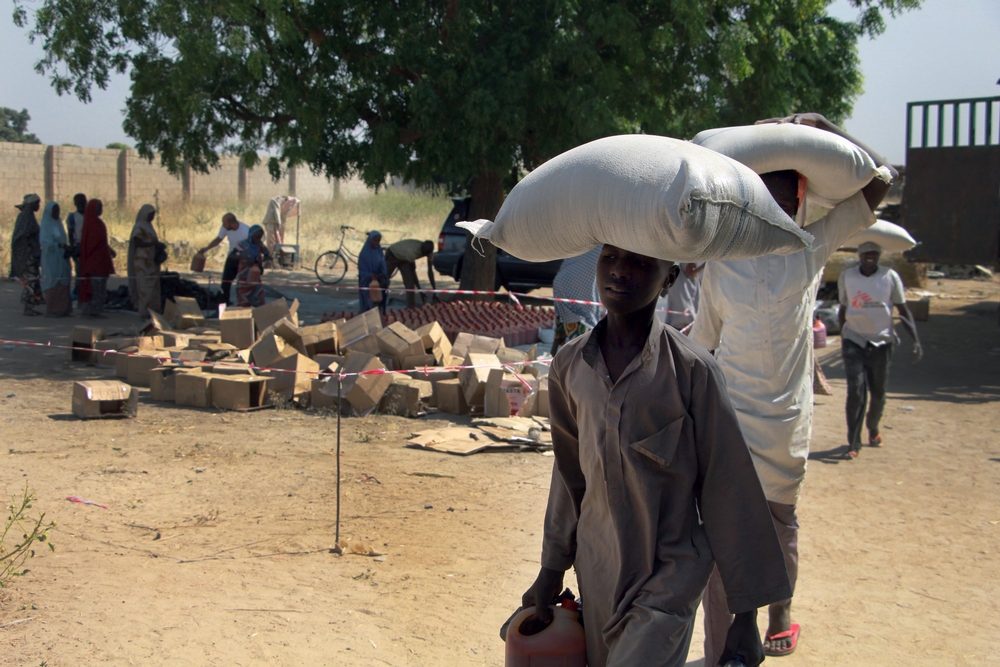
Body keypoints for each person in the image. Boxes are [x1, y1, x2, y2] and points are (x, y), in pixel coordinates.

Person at [522, 243, 791, 667]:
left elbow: (730, 488)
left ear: (669, 278)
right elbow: (570, 475)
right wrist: (551, 567)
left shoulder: (693, 372)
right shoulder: (570, 366)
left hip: (669, 574)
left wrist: (745, 613)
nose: (620, 272)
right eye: (611, 258)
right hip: (597, 568)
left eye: (641, 263)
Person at [692, 113, 896, 662]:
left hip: (785, 424)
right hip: (729, 424)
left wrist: (825, 126)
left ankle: (779, 608)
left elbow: (881, 179)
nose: (776, 212)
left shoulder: (812, 246)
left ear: (800, 203)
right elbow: (703, 341)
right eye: (766, 199)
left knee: (779, 529)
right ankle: (721, 652)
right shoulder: (720, 262)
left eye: (787, 202)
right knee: (721, 545)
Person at [838, 241, 921, 459]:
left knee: (878, 393)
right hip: (854, 339)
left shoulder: (889, 277)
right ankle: (853, 443)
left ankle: (873, 427)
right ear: (859, 254)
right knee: (855, 392)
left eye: (874, 253)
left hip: (882, 341)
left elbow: (903, 309)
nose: (869, 256)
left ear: (879, 255)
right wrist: (842, 337)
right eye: (865, 252)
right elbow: (843, 307)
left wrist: (915, 340)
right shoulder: (848, 276)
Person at [549, 246, 602, 354]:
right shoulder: (603, 242)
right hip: (574, 286)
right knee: (579, 319)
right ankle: (576, 357)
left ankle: (555, 354)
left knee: (566, 317)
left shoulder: (585, 239)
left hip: (563, 281)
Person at [198, 212, 250, 305]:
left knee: (244, 283)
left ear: (232, 223)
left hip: (243, 259)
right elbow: (218, 240)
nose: (223, 225)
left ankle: (245, 303)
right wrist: (206, 249)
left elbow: (252, 246)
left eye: (224, 223)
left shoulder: (245, 230)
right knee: (226, 281)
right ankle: (224, 302)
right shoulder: (225, 228)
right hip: (231, 258)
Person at [78, 199, 116, 318]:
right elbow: (94, 244)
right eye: (99, 207)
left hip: (101, 260)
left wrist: (108, 250)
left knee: (100, 287)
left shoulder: (98, 223)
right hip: (94, 262)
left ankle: (96, 309)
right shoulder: (93, 224)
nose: (101, 210)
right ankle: (91, 310)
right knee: (95, 287)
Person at [127, 204, 163, 317]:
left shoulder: (149, 227)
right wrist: (153, 244)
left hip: (151, 262)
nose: (152, 217)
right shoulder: (139, 227)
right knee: (144, 289)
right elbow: (137, 242)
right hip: (142, 262)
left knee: (153, 289)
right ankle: (144, 313)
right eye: (151, 215)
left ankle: (153, 313)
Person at [10, 193, 43, 315]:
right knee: (31, 281)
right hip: (26, 255)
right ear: (31, 204)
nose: (38, 206)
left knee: (33, 280)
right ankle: (28, 308)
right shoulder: (25, 217)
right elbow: (21, 236)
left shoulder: (29, 216)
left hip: (31, 255)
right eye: (37, 204)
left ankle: (31, 306)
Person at [39, 201, 73, 317]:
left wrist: (65, 248)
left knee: (63, 280)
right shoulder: (46, 225)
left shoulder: (58, 224)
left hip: (62, 258)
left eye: (58, 211)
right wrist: (61, 246)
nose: (56, 213)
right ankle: (53, 310)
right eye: (54, 211)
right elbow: (45, 243)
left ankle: (63, 309)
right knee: (53, 281)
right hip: (51, 260)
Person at [384, 238, 437, 308]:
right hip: (393, 254)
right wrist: (420, 290)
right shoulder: (413, 252)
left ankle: (410, 307)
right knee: (384, 280)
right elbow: (413, 273)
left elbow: (430, 272)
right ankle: (378, 303)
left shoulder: (429, 253)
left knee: (410, 285)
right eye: (424, 252)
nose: (425, 254)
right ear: (421, 248)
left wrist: (435, 291)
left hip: (405, 259)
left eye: (427, 253)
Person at [234, 225, 270, 307]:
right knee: (243, 298)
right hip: (244, 274)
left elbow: (267, 254)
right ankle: (244, 316)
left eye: (259, 238)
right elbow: (233, 255)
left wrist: (261, 262)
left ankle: (259, 317)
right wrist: (244, 258)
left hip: (255, 275)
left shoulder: (260, 246)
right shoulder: (243, 244)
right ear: (251, 235)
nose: (257, 240)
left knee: (259, 297)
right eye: (256, 237)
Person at [661, 262, 704, 329]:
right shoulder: (676, 278)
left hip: (692, 328)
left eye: (694, 266)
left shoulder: (697, 281)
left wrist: (699, 269)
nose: (692, 269)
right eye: (690, 266)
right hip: (675, 327)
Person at [357, 230, 388, 314]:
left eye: (378, 241)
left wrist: (383, 275)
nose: (376, 243)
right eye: (375, 241)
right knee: (368, 302)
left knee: (379, 299)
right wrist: (369, 275)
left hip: (378, 280)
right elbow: (362, 270)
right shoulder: (364, 254)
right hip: (367, 281)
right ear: (370, 240)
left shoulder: (379, 252)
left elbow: (383, 264)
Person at [65, 193, 87, 298]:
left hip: (89, 245)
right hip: (78, 245)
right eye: (79, 203)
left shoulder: (90, 216)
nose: (81, 205)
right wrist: (73, 248)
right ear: (75, 204)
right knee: (80, 271)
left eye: (83, 202)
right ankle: (78, 292)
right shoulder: (72, 217)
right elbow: (70, 233)